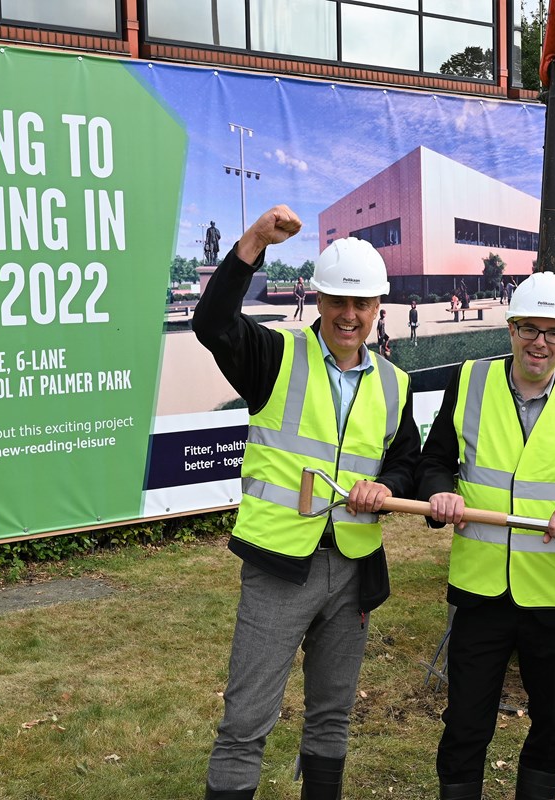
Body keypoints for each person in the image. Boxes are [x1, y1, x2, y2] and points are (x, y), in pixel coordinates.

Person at [192, 206, 420, 800]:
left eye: (362, 304)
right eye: (338, 302)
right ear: (317, 300)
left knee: (331, 715)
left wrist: (390, 487)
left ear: (377, 308)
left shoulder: (395, 383)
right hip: (278, 566)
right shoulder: (275, 356)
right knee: (245, 724)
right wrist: (252, 243)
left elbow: (405, 459)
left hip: (354, 570)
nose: (350, 315)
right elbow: (213, 324)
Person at [417, 271, 555, 800]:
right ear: (510, 328)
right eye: (530, 327)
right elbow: (436, 461)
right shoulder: (469, 380)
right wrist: (442, 493)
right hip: (481, 589)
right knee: (465, 721)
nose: (541, 342)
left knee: (552, 720)